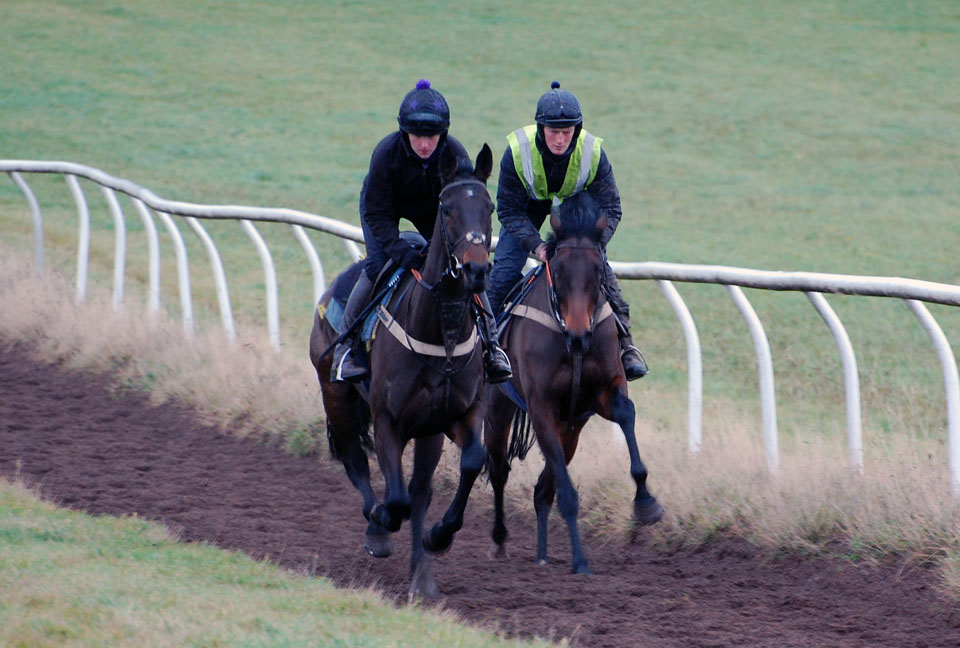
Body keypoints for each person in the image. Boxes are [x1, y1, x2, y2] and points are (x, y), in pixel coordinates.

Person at [331, 79, 512, 384]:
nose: (425, 144)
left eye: (432, 136)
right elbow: (376, 215)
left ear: (443, 133)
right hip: (384, 210)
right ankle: (345, 349)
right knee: (377, 267)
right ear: (405, 132)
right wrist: (403, 254)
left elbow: (463, 205)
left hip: (434, 211)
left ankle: (492, 346)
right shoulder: (386, 154)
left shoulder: (454, 152)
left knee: (467, 267)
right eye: (417, 136)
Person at [487, 81, 648, 380]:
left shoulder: (593, 154)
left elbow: (612, 208)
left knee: (597, 268)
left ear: (577, 129)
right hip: (526, 206)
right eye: (553, 132)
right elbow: (508, 210)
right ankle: (487, 348)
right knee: (504, 272)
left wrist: (592, 243)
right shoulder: (516, 152)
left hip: (574, 206)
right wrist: (537, 246)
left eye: (567, 132)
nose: (560, 139)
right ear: (540, 129)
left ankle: (627, 346)